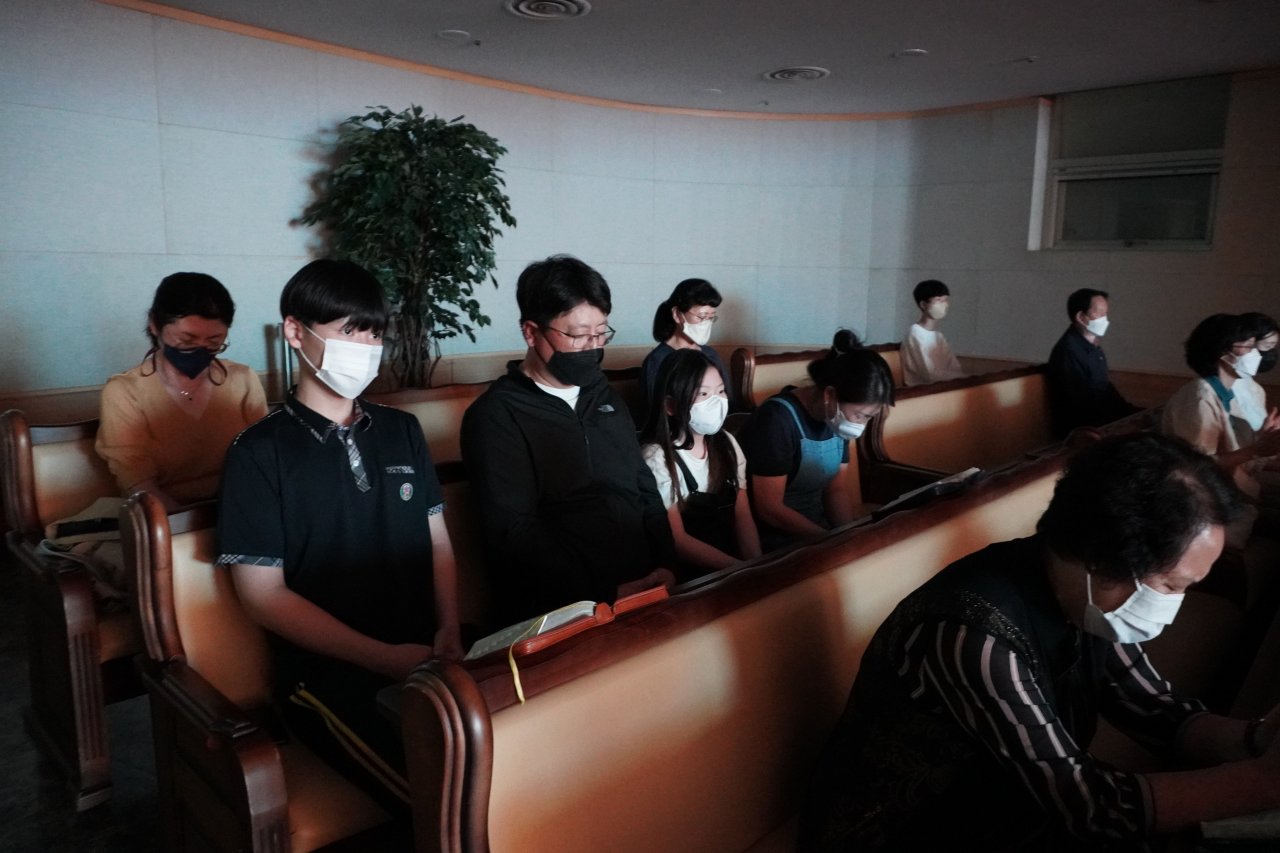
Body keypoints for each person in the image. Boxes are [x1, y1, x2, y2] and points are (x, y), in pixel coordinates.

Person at [798, 432, 1280, 852]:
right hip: (906, 831)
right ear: (1102, 562)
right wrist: (1261, 783)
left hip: (1003, 803)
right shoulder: (971, 633)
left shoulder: (1084, 594)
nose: (1176, 602)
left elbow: (1158, 712)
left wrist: (1256, 739)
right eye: (1173, 585)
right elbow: (1088, 805)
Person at [216, 258, 461, 820]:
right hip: (327, 677)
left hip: (427, 650)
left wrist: (448, 628)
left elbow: (438, 544)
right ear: (295, 331)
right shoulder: (259, 452)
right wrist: (385, 659)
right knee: (446, 799)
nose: (366, 348)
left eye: (373, 333)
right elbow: (263, 595)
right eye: (349, 330)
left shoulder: (402, 430)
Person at [460, 254, 676, 627]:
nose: (592, 347)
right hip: (565, 608)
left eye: (601, 332)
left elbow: (643, 485)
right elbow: (515, 532)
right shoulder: (496, 416)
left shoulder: (605, 397)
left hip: (645, 587)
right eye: (577, 335)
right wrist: (603, 592)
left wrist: (667, 563)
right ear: (531, 333)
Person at [96, 272, 268, 512]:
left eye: (214, 342)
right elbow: (139, 485)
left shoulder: (242, 379)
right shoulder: (125, 392)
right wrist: (194, 525)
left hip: (243, 508)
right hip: (165, 517)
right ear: (154, 325)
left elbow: (265, 461)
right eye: (186, 340)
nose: (200, 350)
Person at [738, 329, 894, 552]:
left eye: (869, 417)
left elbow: (835, 491)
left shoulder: (836, 420)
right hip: (775, 539)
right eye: (860, 415)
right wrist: (830, 541)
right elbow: (769, 508)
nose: (861, 424)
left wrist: (848, 536)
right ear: (830, 395)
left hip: (818, 532)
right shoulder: (777, 420)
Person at [640, 348, 761, 579]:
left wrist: (756, 564)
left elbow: (742, 515)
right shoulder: (657, 457)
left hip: (735, 568)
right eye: (704, 394)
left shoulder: (727, 442)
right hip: (690, 577)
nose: (717, 401)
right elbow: (678, 540)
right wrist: (738, 569)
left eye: (721, 391)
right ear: (670, 406)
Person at [1162, 313, 1280, 549]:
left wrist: (1261, 438)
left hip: (1231, 494)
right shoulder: (1199, 397)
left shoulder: (1225, 391)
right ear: (1223, 352)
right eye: (1248, 347)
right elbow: (1197, 468)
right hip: (1204, 508)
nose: (1257, 354)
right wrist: (1256, 449)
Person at [1046, 287, 1141, 439]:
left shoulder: (1092, 347)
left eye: (1106, 314)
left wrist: (1132, 414)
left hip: (1102, 422)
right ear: (1081, 317)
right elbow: (1079, 406)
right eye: (1100, 314)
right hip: (1084, 432)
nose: (1105, 319)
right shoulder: (1068, 351)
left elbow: (1104, 387)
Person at [639, 278, 733, 412]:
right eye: (701, 316)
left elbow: (729, 401)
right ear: (677, 315)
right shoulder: (657, 361)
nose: (706, 323)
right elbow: (654, 413)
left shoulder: (710, 355)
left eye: (711, 317)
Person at [901, 278, 965, 386]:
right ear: (923, 304)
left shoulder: (939, 336)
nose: (944, 304)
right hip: (923, 390)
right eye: (938, 300)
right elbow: (929, 374)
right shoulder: (915, 332)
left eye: (945, 300)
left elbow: (955, 367)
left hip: (945, 386)